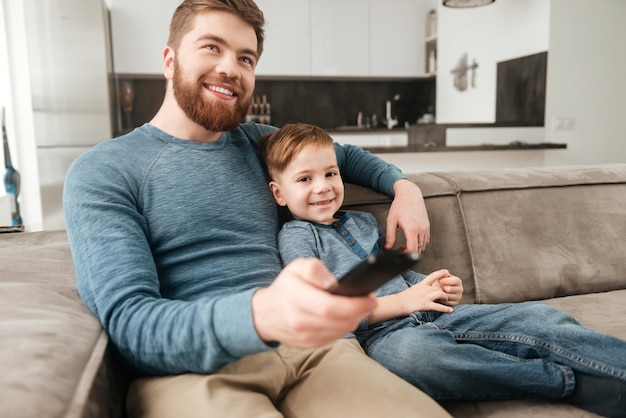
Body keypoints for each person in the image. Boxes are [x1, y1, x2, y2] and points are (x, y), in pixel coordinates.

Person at [63, 1, 450, 417]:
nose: (231, 68)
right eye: (212, 47)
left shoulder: (259, 142)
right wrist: (261, 315)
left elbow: (347, 157)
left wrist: (404, 187)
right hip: (194, 371)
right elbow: (131, 324)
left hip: (319, 352)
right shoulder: (104, 170)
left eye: (245, 57)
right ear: (169, 60)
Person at [261, 122, 626, 418]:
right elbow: (325, 309)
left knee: (538, 316)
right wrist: (405, 301)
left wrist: (433, 285)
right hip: (386, 336)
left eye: (330, 173)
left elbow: (398, 278)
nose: (323, 187)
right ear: (279, 193)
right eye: (305, 179)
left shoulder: (363, 221)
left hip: (438, 315)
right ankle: (565, 381)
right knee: (413, 360)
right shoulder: (296, 237)